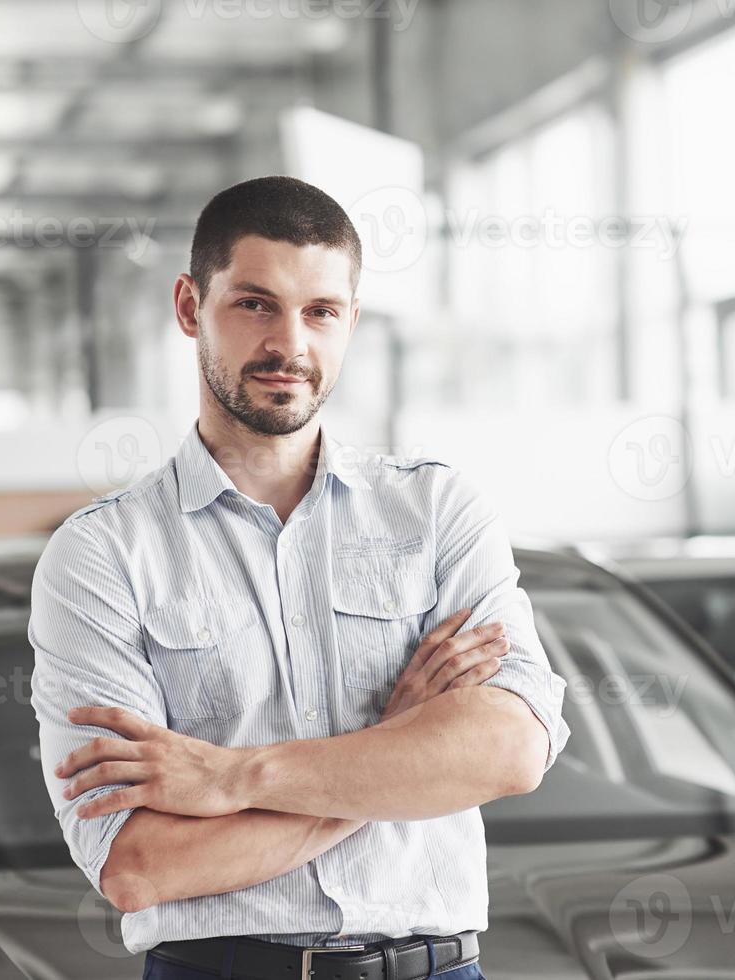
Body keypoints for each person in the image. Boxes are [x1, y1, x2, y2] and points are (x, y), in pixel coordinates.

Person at [29, 175, 570, 980]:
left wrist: (233, 777)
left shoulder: (435, 510)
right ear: (189, 307)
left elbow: (510, 750)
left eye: (320, 312)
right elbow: (141, 865)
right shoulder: (103, 556)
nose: (291, 344)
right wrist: (396, 753)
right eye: (254, 304)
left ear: (350, 321)